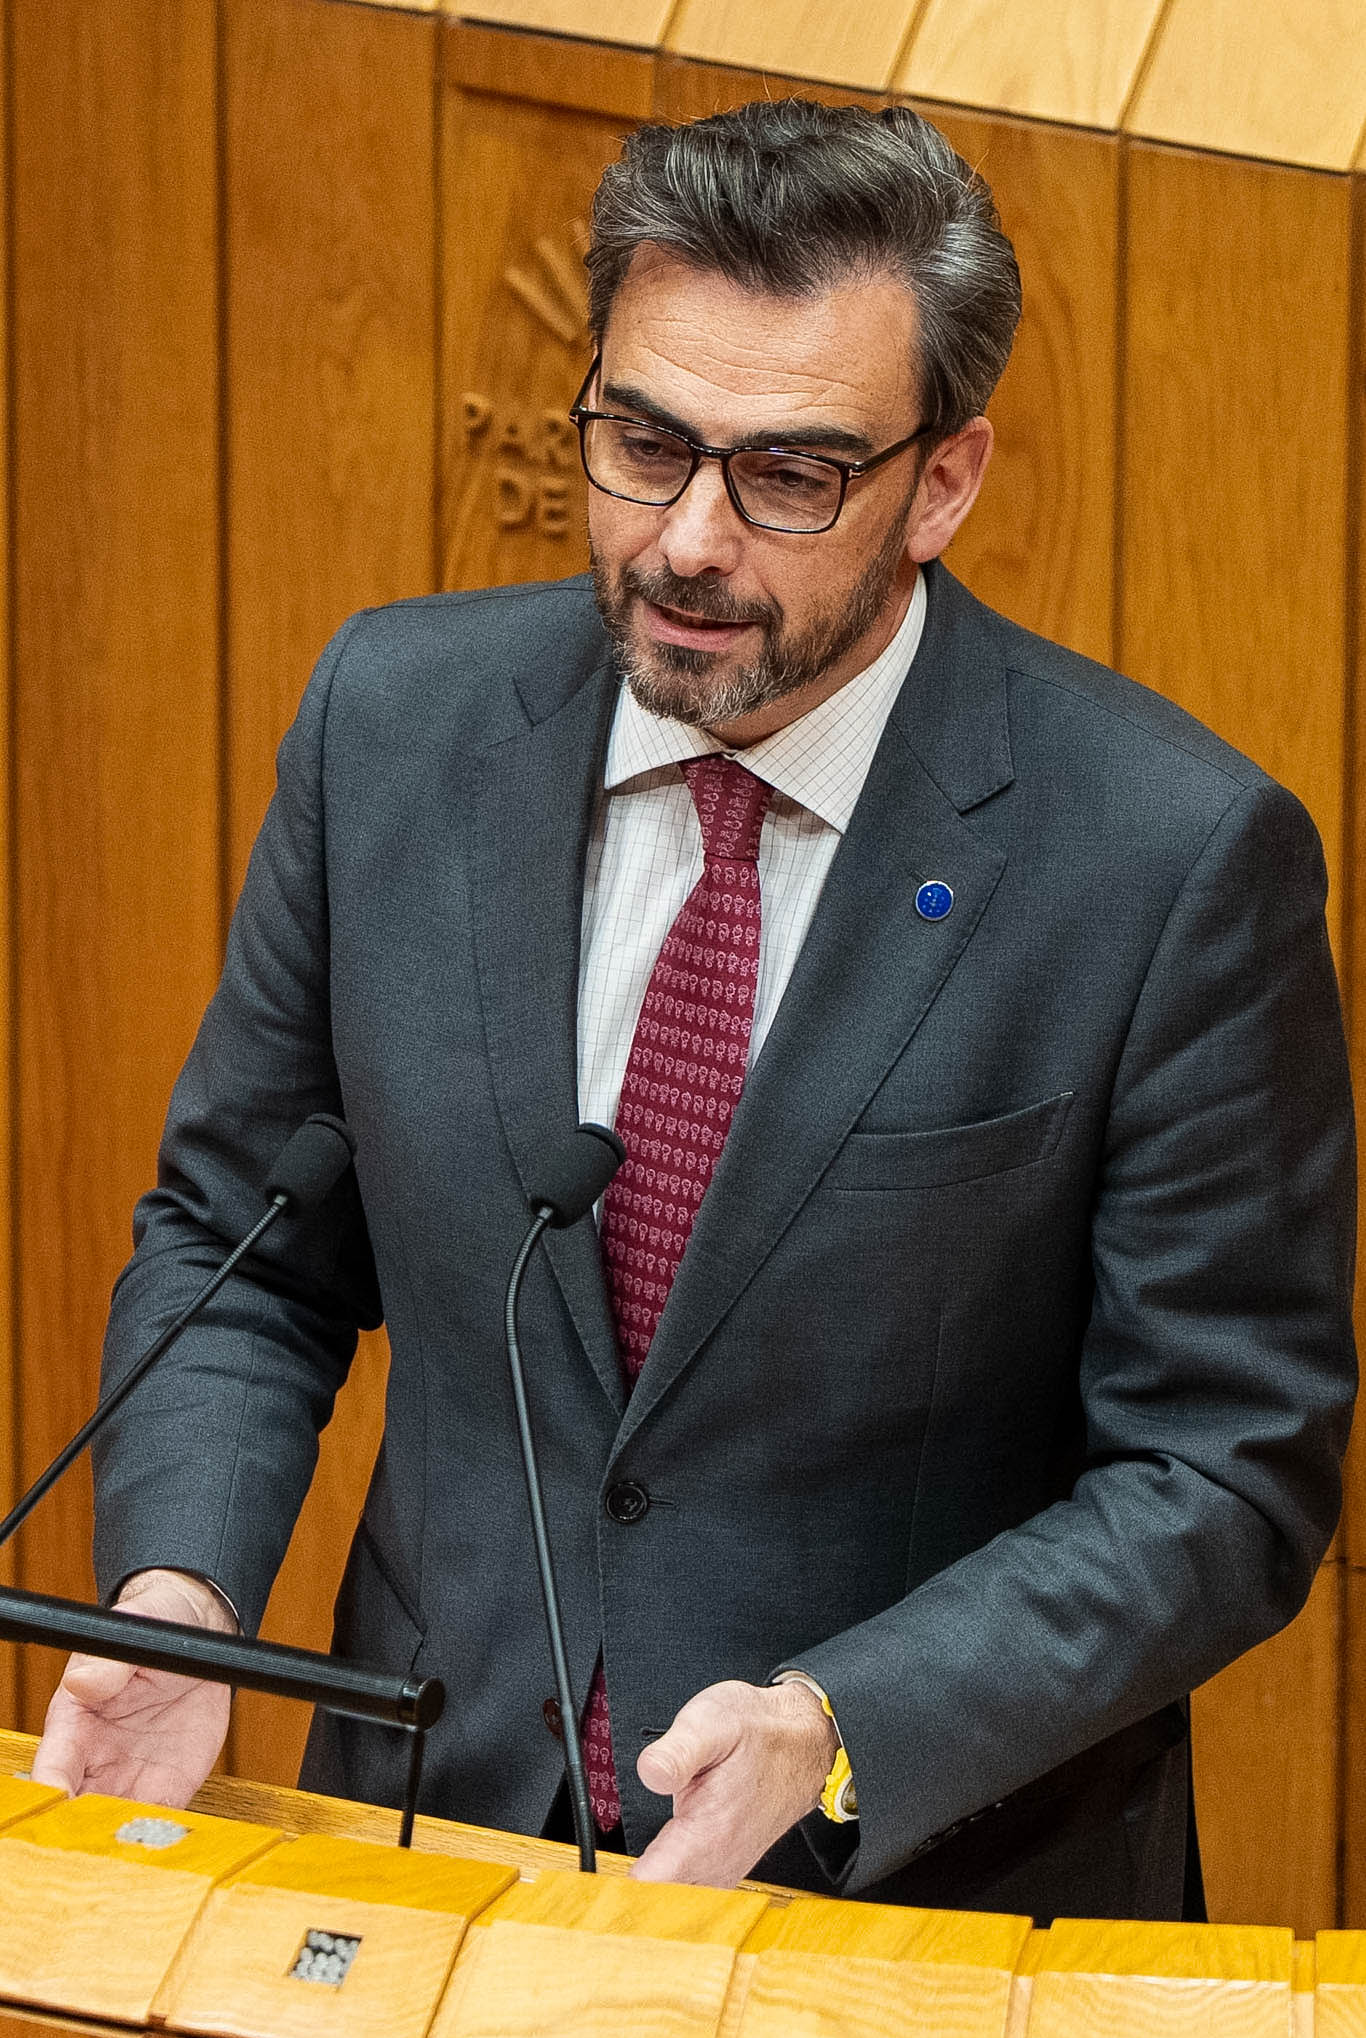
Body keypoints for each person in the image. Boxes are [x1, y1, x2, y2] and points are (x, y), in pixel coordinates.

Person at [31, 99, 1355, 1921]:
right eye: (643, 444)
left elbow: (1222, 1471)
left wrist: (843, 1722)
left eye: (789, 474)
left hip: (910, 1902)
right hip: (431, 1836)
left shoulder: (1167, 858)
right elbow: (245, 1248)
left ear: (943, 482)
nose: (687, 542)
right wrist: (178, 1600)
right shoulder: (392, 723)